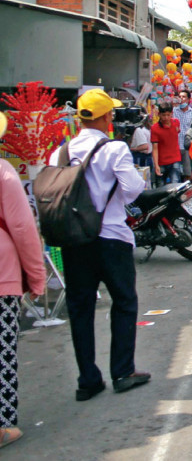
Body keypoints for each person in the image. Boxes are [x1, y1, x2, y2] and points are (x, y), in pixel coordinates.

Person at [50, 89, 151, 402]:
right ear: (107, 117)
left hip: (75, 240)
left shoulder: (61, 153)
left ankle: (87, 380)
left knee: (80, 309)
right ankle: (122, 372)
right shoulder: (115, 149)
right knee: (123, 302)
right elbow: (134, 188)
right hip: (111, 238)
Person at [0, 112, 46, 448]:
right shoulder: (3, 173)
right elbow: (22, 229)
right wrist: (36, 277)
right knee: (3, 349)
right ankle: (2, 425)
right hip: (2, 274)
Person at [150, 103, 182, 185]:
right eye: (164, 115)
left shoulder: (176, 123)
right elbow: (155, 148)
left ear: (172, 114)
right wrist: (156, 165)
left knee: (175, 185)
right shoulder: (154, 128)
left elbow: (177, 131)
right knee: (161, 187)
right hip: (161, 163)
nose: (166, 118)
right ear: (159, 114)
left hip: (175, 160)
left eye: (168, 115)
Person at [173, 90, 192, 178]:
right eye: (180, 96)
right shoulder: (173, 111)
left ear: (189, 99)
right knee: (175, 171)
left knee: (187, 171)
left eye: (184, 97)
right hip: (175, 145)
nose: (181, 99)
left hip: (187, 146)